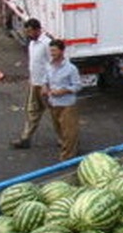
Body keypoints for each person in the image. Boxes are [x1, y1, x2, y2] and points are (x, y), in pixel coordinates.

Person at [12, 18, 53, 149]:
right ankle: (25, 138)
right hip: (34, 83)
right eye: (27, 32)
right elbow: (33, 64)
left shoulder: (47, 43)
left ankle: (65, 139)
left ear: (37, 29)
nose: (29, 34)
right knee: (32, 111)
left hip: (45, 85)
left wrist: (47, 84)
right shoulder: (32, 44)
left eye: (30, 31)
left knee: (55, 113)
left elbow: (51, 64)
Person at [44, 40, 81, 160]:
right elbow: (45, 80)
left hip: (67, 104)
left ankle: (67, 156)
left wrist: (63, 91)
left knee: (69, 131)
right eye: (51, 51)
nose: (52, 53)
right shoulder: (49, 66)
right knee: (59, 128)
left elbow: (77, 86)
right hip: (53, 103)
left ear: (62, 51)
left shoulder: (71, 69)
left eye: (54, 50)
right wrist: (45, 88)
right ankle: (68, 147)